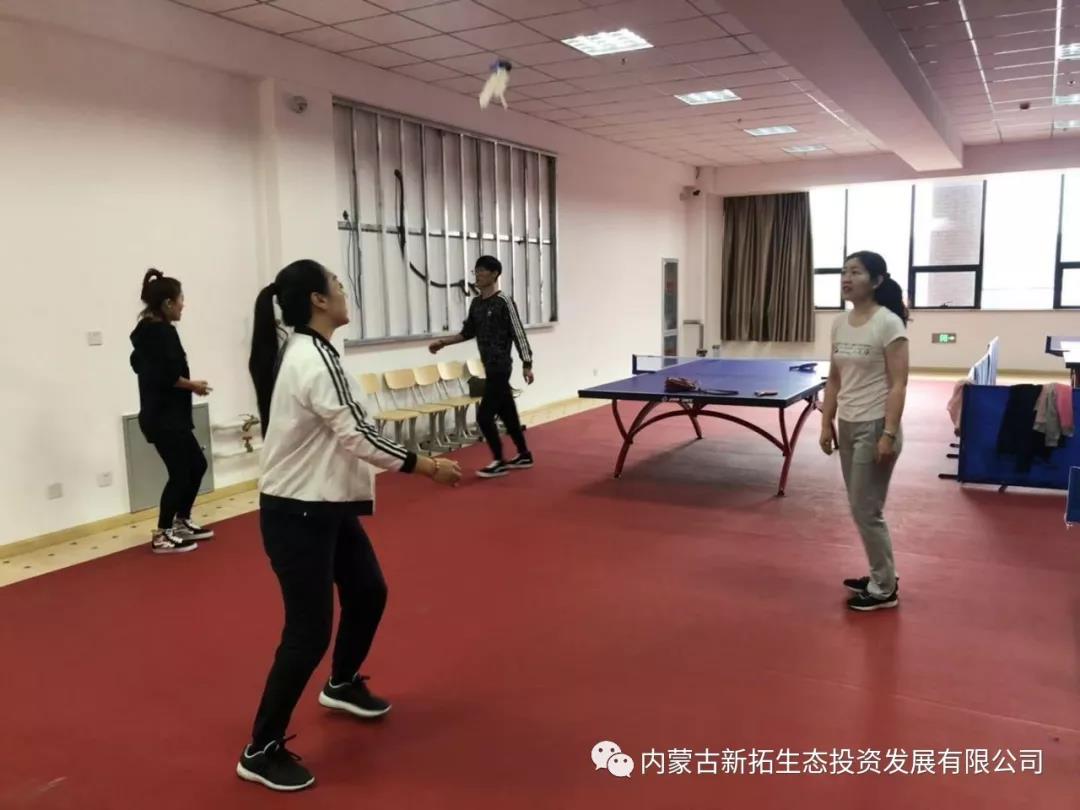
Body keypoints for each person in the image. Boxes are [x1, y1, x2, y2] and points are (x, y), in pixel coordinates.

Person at [239, 259, 461, 792]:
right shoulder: (313, 358)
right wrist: (426, 465)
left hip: (324, 505)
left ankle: (340, 684)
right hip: (298, 512)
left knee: (368, 592)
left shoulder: (313, 351)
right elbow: (358, 434)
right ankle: (261, 749)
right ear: (318, 300)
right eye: (337, 285)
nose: (344, 291)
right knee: (307, 632)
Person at [819, 251, 910, 612]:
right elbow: (835, 377)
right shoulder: (839, 323)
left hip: (874, 425)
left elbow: (899, 384)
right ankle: (881, 574)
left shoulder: (889, 323)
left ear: (876, 281)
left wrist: (888, 433)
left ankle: (884, 588)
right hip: (848, 422)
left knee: (865, 509)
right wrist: (826, 421)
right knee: (863, 506)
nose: (846, 278)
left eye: (855, 272)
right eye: (844, 272)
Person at [129, 269, 214, 554]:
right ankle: (163, 533)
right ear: (167, 303)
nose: (183, 305)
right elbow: (165, 375)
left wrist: (188, 386)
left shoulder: (148, 332)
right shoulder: (159, 333)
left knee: (196, 465)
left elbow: (147, 368)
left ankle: (181, 520)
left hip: (169, 416)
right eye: (180, 300)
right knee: (180, 473)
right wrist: (193, 386)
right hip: (163, 418)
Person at [428, 256, 534, 478]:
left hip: (500, 367)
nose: (477, 275)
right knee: (508, 414)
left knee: (484, 417)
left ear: (494, 274)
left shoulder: (504, 301)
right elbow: (467, 333)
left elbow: (518, 332)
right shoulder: (476, 304)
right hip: (488, 366)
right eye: (475, 271)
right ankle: (524, 454)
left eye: (482, 271)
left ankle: (499, 461)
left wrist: (527, 363)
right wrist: (443, 342)